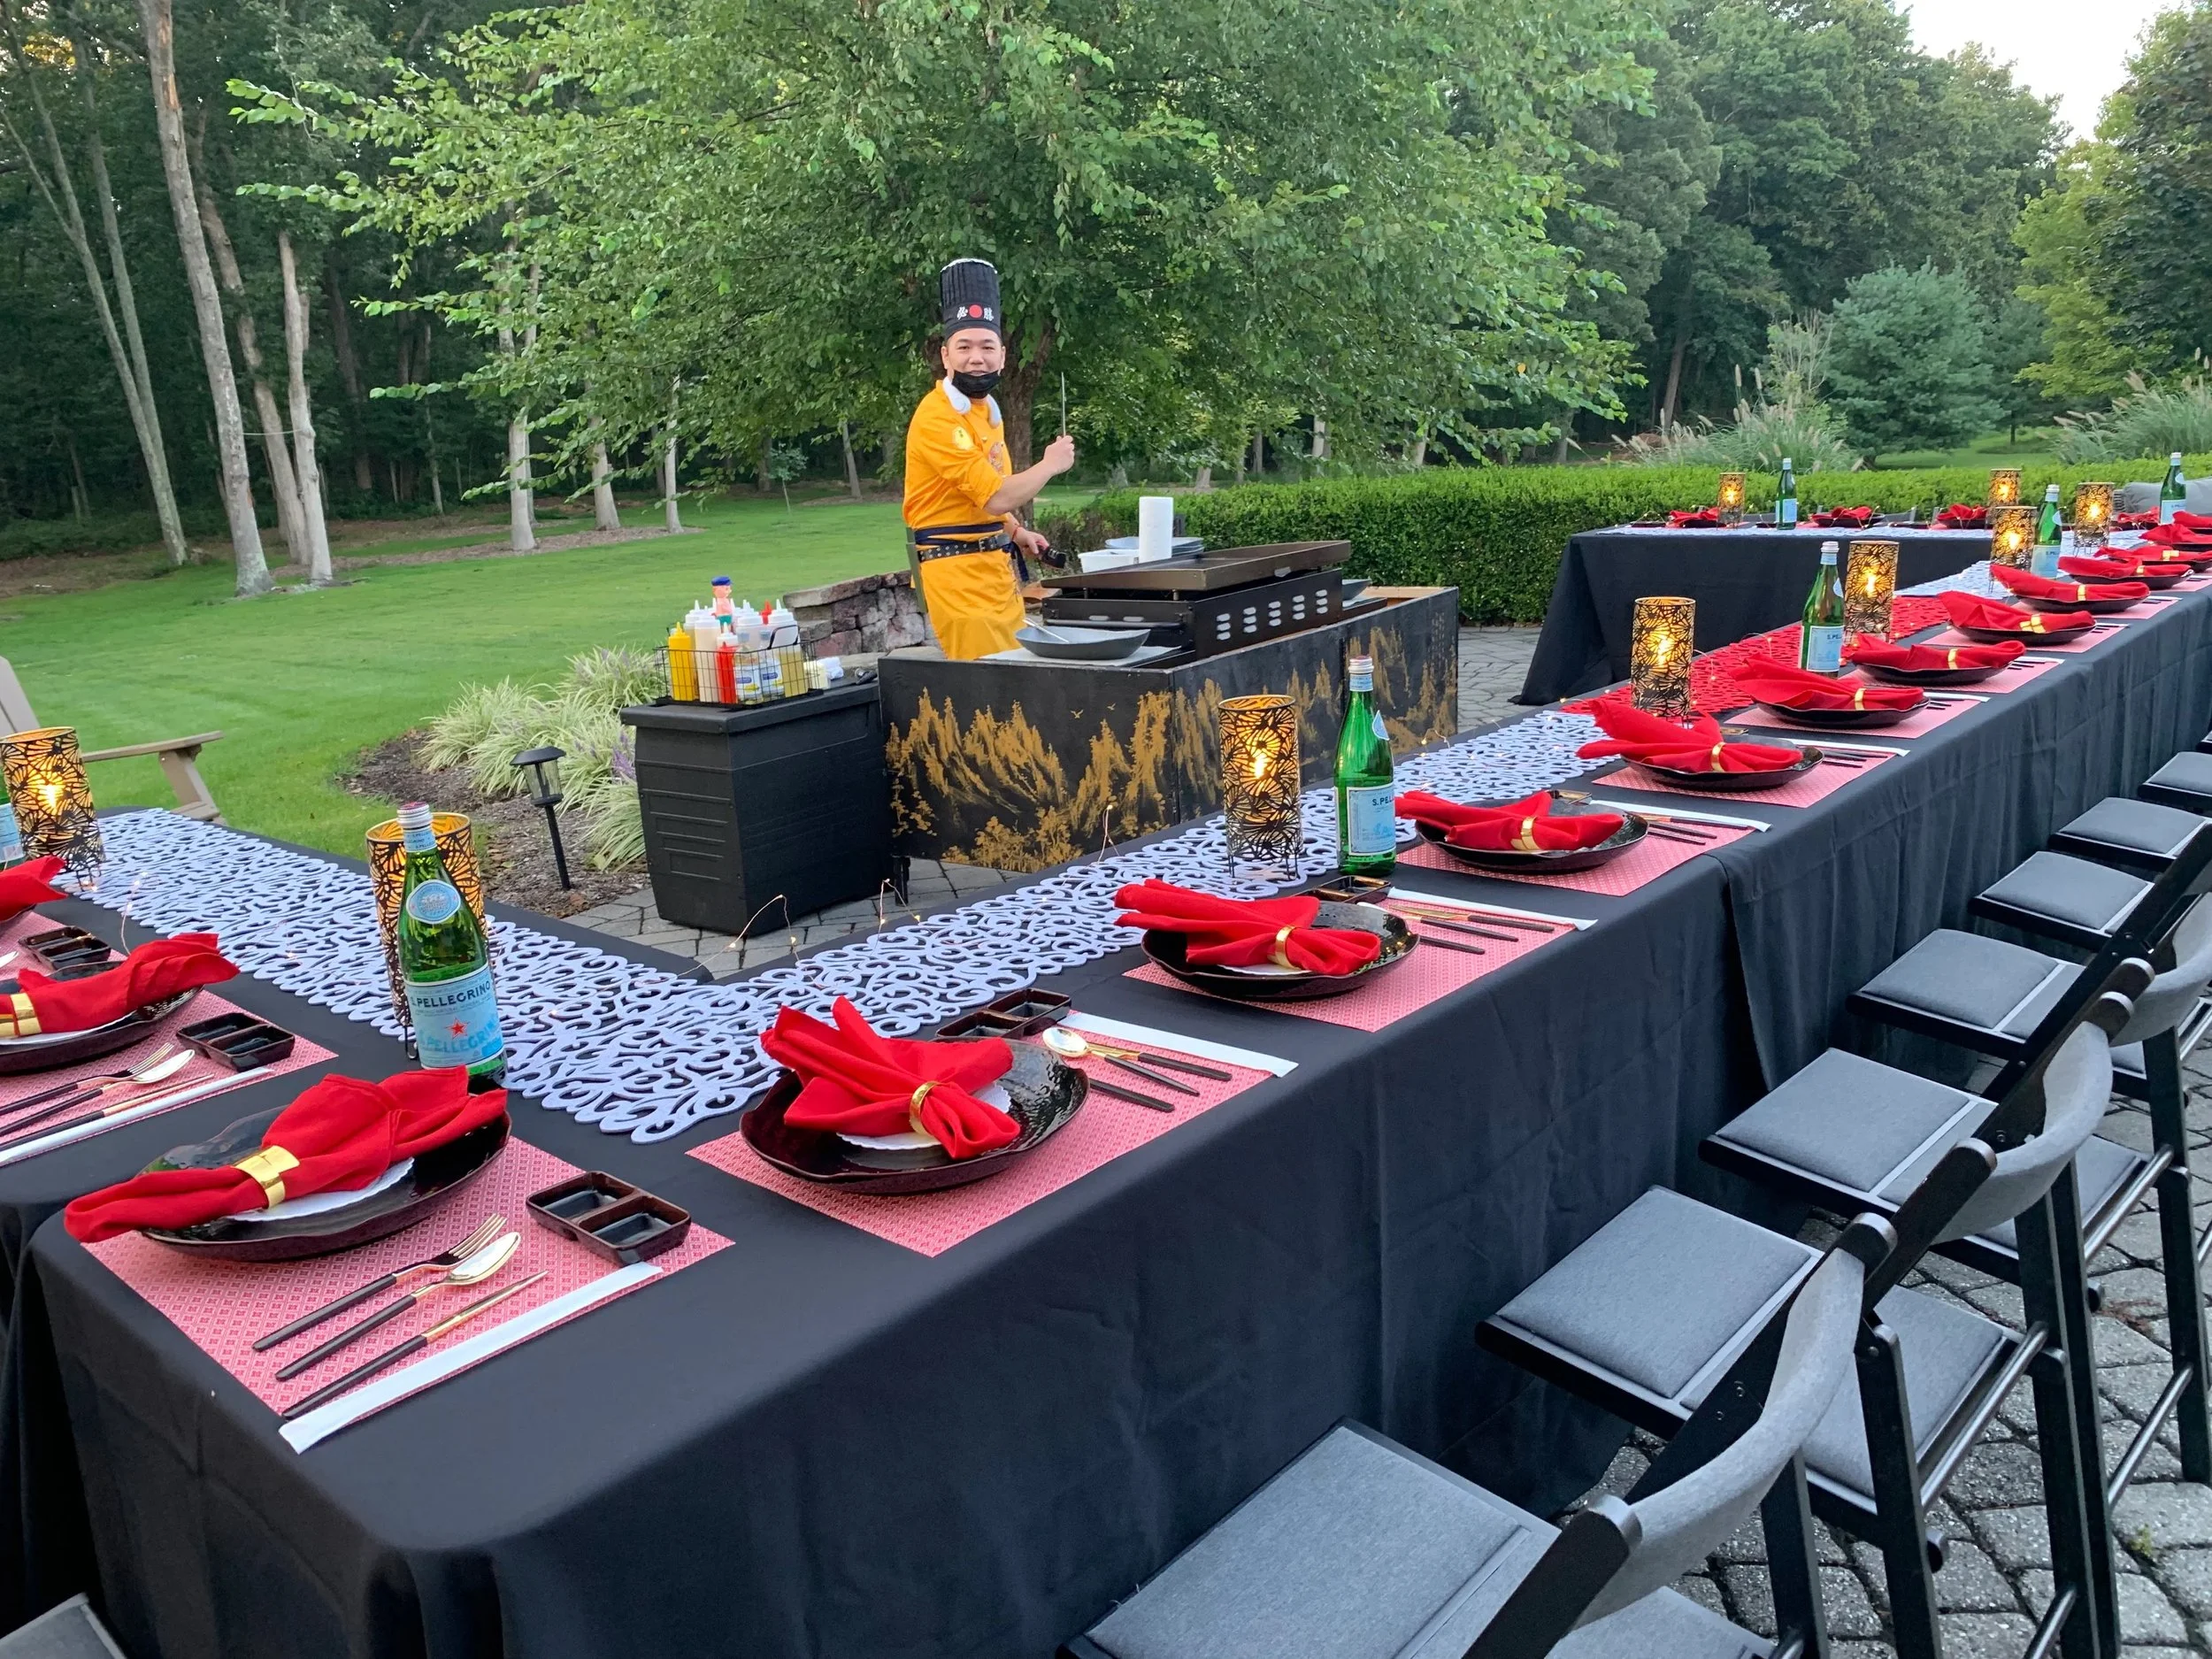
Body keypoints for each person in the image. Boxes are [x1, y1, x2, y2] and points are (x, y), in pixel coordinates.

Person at [902, 258, 1076, 659]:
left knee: (1015, 684)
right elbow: (996, 496)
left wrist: (1016, 532)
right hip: (956, 576)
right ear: (946, 356)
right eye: (964, 347)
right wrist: (1050, 463)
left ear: (1002, 355)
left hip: (995, 570)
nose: (975, 358)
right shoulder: (937, 416)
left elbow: (978, 493)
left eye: (986, 347)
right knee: (989, 692)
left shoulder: (986, 411)